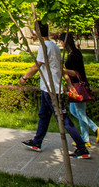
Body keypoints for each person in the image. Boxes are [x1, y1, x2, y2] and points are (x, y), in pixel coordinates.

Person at [18, 22, 90, 158]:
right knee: (43, 115)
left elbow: (37, 66)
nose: (33, 35)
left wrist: (25, 77)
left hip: (52, 90)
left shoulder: (45, 47)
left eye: (34, 32)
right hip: (48, 89)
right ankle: (37, 142)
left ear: (38, 33)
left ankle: (82, 148)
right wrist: (69, 84)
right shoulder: (54, 47)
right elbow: (60, 69)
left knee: (64, 120)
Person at [61, 31, 99, 148]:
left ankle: (85, 139)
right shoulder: (72, 53)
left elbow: (75, 73)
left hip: (78, 87)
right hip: (74, 86)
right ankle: (94, 129)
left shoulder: (74, 55)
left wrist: (63, 70)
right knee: (74, 111)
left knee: (80, 112)